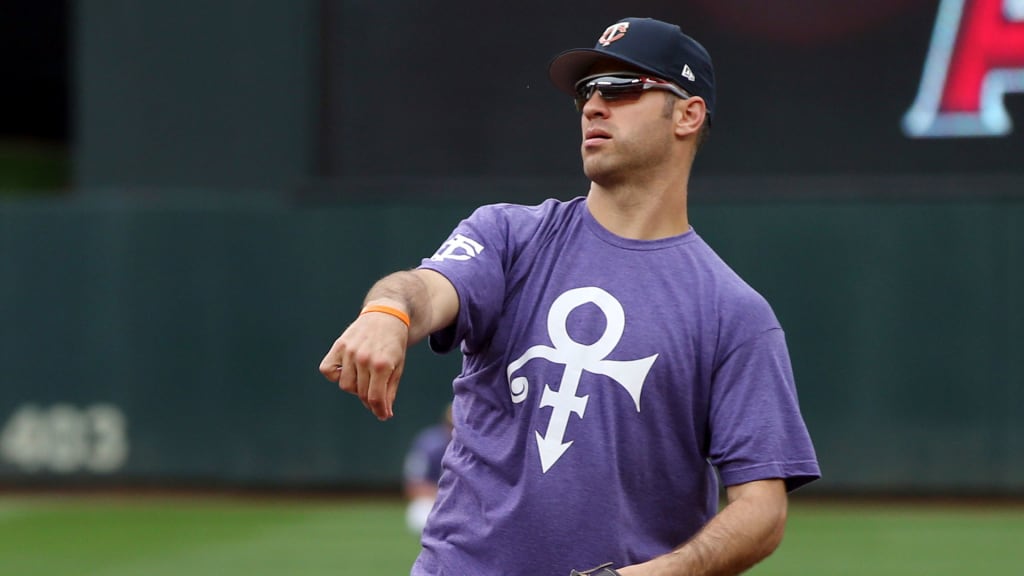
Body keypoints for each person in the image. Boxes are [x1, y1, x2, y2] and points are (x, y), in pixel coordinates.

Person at [320, 16, 820, 576]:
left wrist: (669, 572)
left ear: (688, 113)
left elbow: (762, 509)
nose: (593, 106)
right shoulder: (508, 237)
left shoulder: (735, 314)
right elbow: (424, 287)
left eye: (622, 88)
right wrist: (388, 312)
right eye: (587, 91)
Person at [402, 403, 453, 534]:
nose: (455, 431)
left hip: (464, 505)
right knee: (420, 512)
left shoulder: (476, 446)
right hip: (434, 501)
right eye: (452, 426)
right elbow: (413, 487)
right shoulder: (429, 444)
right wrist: (447, 496)